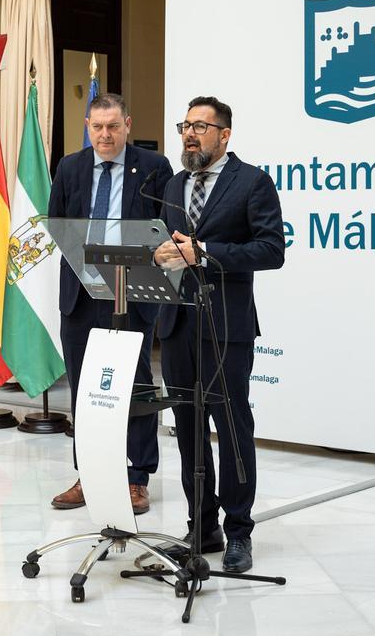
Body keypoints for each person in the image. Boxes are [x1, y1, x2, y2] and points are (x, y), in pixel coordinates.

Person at [153, 95, 285, 573]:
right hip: (178, 325)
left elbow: (272, 250)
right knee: (188, 430)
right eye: (185, 125)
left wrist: (204, 251)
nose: (189, 134)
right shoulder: (171, 185)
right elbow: (166, 246)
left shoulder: (251, 182)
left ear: (224, 135)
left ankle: (239, 533)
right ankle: (201, 526)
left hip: (226, 327)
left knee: (231, 431)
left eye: (200, 127)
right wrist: (159, 255)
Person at [48, 92, 173, 515]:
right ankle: (91, 475)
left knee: (135, 384)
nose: (105, 134)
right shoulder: (70, 167)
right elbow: (58, 223)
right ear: (88, 126)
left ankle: (138, 478)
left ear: (127, 125)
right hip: (81, 295)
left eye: (113, 126)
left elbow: (165, 230)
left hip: (132, 294)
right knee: (85, 388)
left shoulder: (154, 169)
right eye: (97, 127)